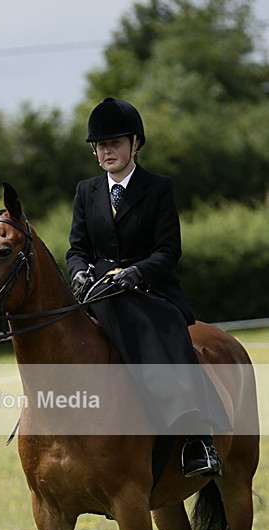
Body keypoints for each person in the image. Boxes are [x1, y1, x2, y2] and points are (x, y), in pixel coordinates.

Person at [66, 97, 229, 477]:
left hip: (149, 288)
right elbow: (77, 248)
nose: (107, 151)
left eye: (115, 143)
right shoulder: (85, 191)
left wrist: (137, 273)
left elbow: (169, 250)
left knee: (161, 328)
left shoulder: (158, 188)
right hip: (100, 290)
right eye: (101, 145)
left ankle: (196, 435)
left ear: (135, 143)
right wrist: (77, 272)